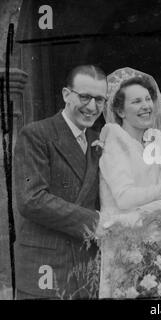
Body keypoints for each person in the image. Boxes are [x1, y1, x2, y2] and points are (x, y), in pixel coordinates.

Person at [13, 65, 108, 299]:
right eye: (84, 97)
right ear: (67, 95)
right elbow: (31, 199)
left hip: (86, 268)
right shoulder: (36, 134)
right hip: (46, 267)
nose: (92, 107)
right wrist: (96, 222)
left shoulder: (98, 141)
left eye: (100, 99)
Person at [98, 68, 161, 298]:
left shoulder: (152, 142)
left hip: (153, 241)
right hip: (124, 243)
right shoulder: (115, 140)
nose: (147, 105)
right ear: (120, 110)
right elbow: (125, 197)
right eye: (136, 101)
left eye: (148, 99)